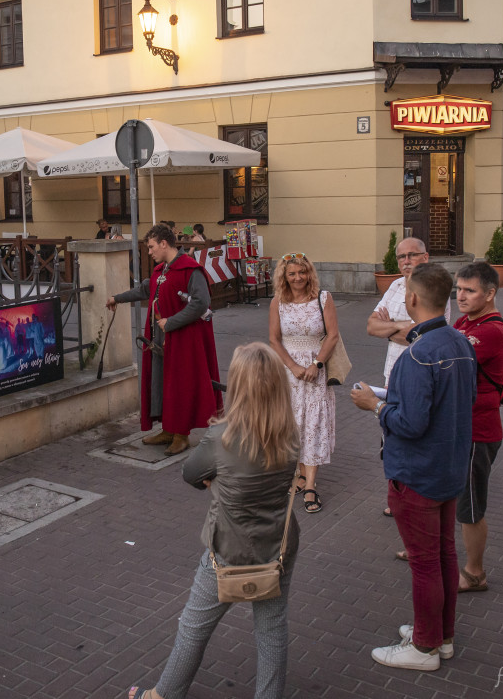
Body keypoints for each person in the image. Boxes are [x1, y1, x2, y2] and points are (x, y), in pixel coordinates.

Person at [127, 342, 301, 699]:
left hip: (228, 546)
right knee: (272, 629)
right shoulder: (290, 435)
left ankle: (165, 694)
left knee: (194, 625)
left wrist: (215, 480)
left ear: (238, 387)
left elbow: (190, 474)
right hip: (278, 543)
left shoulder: (220, 438)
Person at [350, 264, 476, 671]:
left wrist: (376, 405)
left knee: (425, 562)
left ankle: (424, 648)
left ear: (412, 300)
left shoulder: (417, 354)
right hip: (450, 468)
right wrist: (391, 398)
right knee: (443, 555)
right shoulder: (460, 342)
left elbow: (411, 423)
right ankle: (442, 637)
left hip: (418, 473)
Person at [107, 224, 222, 456]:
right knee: (162, 383)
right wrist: (116, 298)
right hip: (159, 340)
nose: (148, 252)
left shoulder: (191, 270)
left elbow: (201, 302)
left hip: (183, 340)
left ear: (163, 243)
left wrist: (171, 322)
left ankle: (181, 435)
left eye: (151, 247)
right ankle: (168, 430)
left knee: (180, 386)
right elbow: (143, 290)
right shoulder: (162, 271)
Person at [366, 237, 451, 519]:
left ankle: (416, 496)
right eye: (401, 257)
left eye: (411, 256)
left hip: (420, 373)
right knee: (389, 436)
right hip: (392, 373)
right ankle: (396, 494)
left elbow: (428, 333)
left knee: (413, 431)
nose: (405, 262)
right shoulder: (395, 286)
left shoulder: (434, 287)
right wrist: (403, 327)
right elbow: (370, 326)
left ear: (425, 258)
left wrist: (389, 327)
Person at [453, 261, 503, 593]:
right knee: (457, 501)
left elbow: (445, 356)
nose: (460, 296)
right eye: (458, 289)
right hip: (462, 428)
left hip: (479, 432)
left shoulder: (491, 331)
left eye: (469, 290)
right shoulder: (467, 321)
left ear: (489, 294)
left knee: (471, 508)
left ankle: (475, 573)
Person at [268, 253, 337, 514]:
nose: (298, 278)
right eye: (292, 274)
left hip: (316, 369)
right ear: (284, 277)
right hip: (288, 371)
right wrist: (294, 366)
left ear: (310, 273)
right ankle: (297, 474)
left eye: (302, 272)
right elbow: (274, 339)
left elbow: (333, 335)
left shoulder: (323, 298)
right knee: (292, 423)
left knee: (313, 423)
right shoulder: (278, 302)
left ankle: (310, 484)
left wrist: (316, 364)